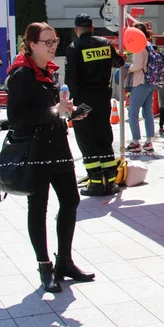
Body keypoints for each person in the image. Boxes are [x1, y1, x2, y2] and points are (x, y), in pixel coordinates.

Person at [6, 22, 95, 293]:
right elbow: (17, 116)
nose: (52, 46)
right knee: (39, 207)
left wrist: (70, 111)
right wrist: (55, 111)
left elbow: (51, 110)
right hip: (36, 151)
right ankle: (45, 266)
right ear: (31, 44)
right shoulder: (22, 73)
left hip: (57, 147)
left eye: (55, 41)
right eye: (47, 42)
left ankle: (64, 261)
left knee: (71, 200)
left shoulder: (47, 72)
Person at [65, 13, 125, 195]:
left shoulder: (74, 47)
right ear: (92, 28)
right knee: (104, 136)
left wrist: (72, 103)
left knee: (86, 139)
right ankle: (111, 182)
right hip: (102, 98)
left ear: (76, 30)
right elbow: (119, 62)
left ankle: (96, 182)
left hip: (84, 101)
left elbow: (71, 78)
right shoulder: (105, 44)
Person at [125, 22, 157, 154]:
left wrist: (127, 69)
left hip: (140, 82)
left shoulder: (138, 46)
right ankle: (149, 141)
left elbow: (138, 65)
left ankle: (135, 142)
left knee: (132, 113)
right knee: (147, 112)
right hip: (150, 82)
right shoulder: (149, 45)